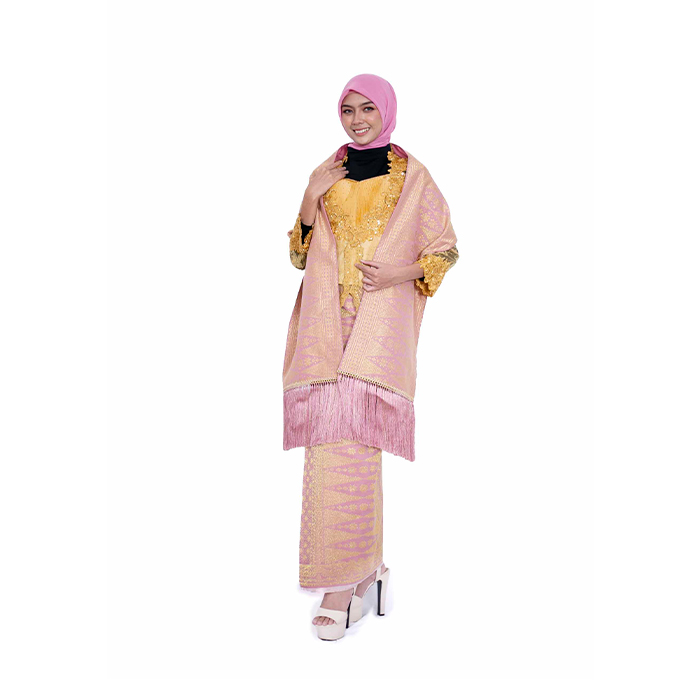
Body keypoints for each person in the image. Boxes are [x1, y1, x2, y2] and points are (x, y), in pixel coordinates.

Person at [283, 74, 459, 640]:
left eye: (367, 109)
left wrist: (398, 273)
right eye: (347, 110)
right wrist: (309, 196)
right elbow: (298, 255)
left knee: (355, 448)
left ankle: (344, 583)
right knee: (330, 449)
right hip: (324, 329)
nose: (357, 120)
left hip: (376, 331)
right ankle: (364, 571)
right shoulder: (327, 172)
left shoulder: (413, 178)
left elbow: (445, 250)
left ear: (386, 111)